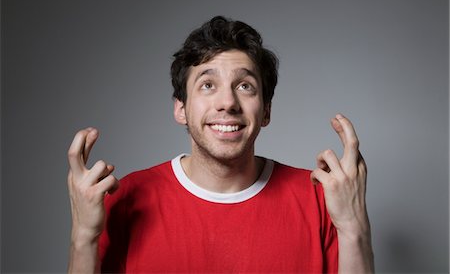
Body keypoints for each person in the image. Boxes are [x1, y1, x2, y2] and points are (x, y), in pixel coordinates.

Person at [67, 16, 374, 273]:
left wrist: (353, 226)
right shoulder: (127, 197)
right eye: (208, 85)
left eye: (245, 86)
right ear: (180, 108)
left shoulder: (318, 198)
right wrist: (83, 237)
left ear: (266, 110)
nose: (227, 102)